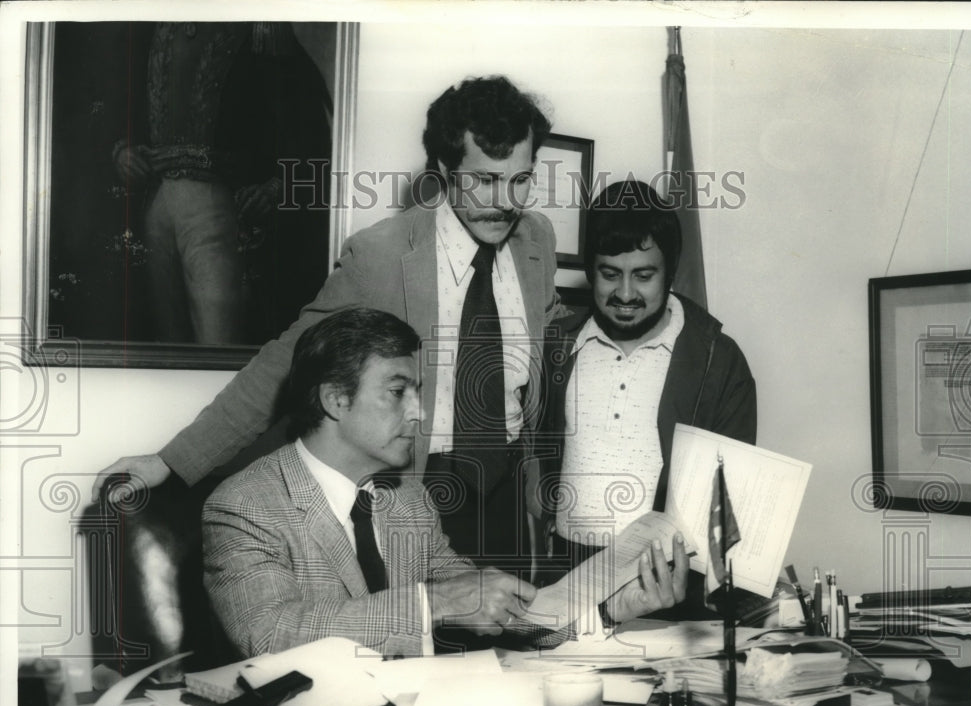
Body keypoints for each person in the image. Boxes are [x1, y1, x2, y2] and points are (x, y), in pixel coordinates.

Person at [95, 75, 563, 573]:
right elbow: (284, 361)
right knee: (428, 641)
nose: (507, 200)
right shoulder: (382, 256)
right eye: (486, 180)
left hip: (510, 490)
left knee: (514, 643)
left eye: (521, 179)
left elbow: (550, 343)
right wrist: (172, 461)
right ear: (446, 170)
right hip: (420, 491)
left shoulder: (536, 241)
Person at [203, 308, 689, 657]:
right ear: (335, 400)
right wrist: (434, 602)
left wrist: (613, 609)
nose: (419, 411)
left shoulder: (407, 500)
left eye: (418, 391)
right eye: (398, 392)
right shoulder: (246, 505)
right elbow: (268, 634)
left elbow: (487, 605)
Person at [534, 179, 756, 616]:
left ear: (670, 273)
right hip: (565, 579)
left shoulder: (718, 360)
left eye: (644, 275)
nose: (625, 294)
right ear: (590, 269)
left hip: (670, 588)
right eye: (609, 273)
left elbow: (731, 504)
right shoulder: (555, 346)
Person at [111, 21, 332, 345]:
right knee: (162, 346)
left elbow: (306, 123)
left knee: (219, 345)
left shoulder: (261, 27)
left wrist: (277, 185)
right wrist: (123, 150)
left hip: (219, 208)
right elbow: (118, 105)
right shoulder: (149, 25)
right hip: (154, 203)